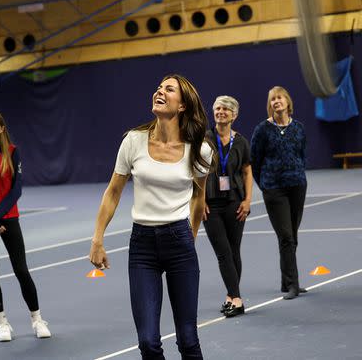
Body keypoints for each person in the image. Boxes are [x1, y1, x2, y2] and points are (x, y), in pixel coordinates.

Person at [90, 74, 214, 360]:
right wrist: (97, 239)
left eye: (169, 89)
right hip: (142, 246)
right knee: (147, 342)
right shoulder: (133, 141)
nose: (160, 91)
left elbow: (199, 198)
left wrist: (190, 238)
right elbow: (113, 192)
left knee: (188, 339)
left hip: (180, 242)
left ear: (182, 106)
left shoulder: (199, 149)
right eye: (158, 87)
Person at [0, 110, 51, 342]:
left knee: (21, 269)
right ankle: (2, 323)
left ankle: (37, 319)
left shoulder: (13, 153)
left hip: (7, 217)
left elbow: (17, 190)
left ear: (2, 129)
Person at [251, 86, 307, 300]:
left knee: (292, 235)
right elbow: (254, 160)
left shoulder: (299, 128)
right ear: (270, 105)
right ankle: (294, 284)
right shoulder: (262, 130)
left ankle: (286, 281)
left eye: (280, 97)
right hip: (274, 189)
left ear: (287, 102)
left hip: (297, 186)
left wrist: (298, 173)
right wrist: (265, 184)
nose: (276, 101)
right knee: (285, 236)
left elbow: (302, 154)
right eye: (272, 99)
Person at [202, 96, 253, 318]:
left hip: (235, 202)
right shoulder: (203, 140)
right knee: (223, 253)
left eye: (226, 109)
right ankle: (237, 298)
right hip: (210, 205)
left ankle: (232, 297)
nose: (221, 111)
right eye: (217, 108)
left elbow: (247, 171)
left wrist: (248, 200)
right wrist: (199, 200)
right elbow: (195, 172)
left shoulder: (240, 142)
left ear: (234, 115)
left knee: (234, 251)